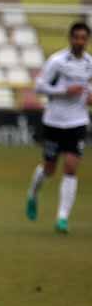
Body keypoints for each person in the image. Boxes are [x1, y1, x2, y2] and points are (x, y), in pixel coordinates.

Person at [27, 22, 91, 234]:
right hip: (54, 121)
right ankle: (33, 194)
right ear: (70, 38)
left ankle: (62, 218)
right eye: (77, 38)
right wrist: (64, 90)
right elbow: (39, 87)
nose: (80, 42)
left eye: (84, 38)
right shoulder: (57, 61)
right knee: (49, 168)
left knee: (71, 167)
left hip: (77, 121)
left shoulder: (90, 63)